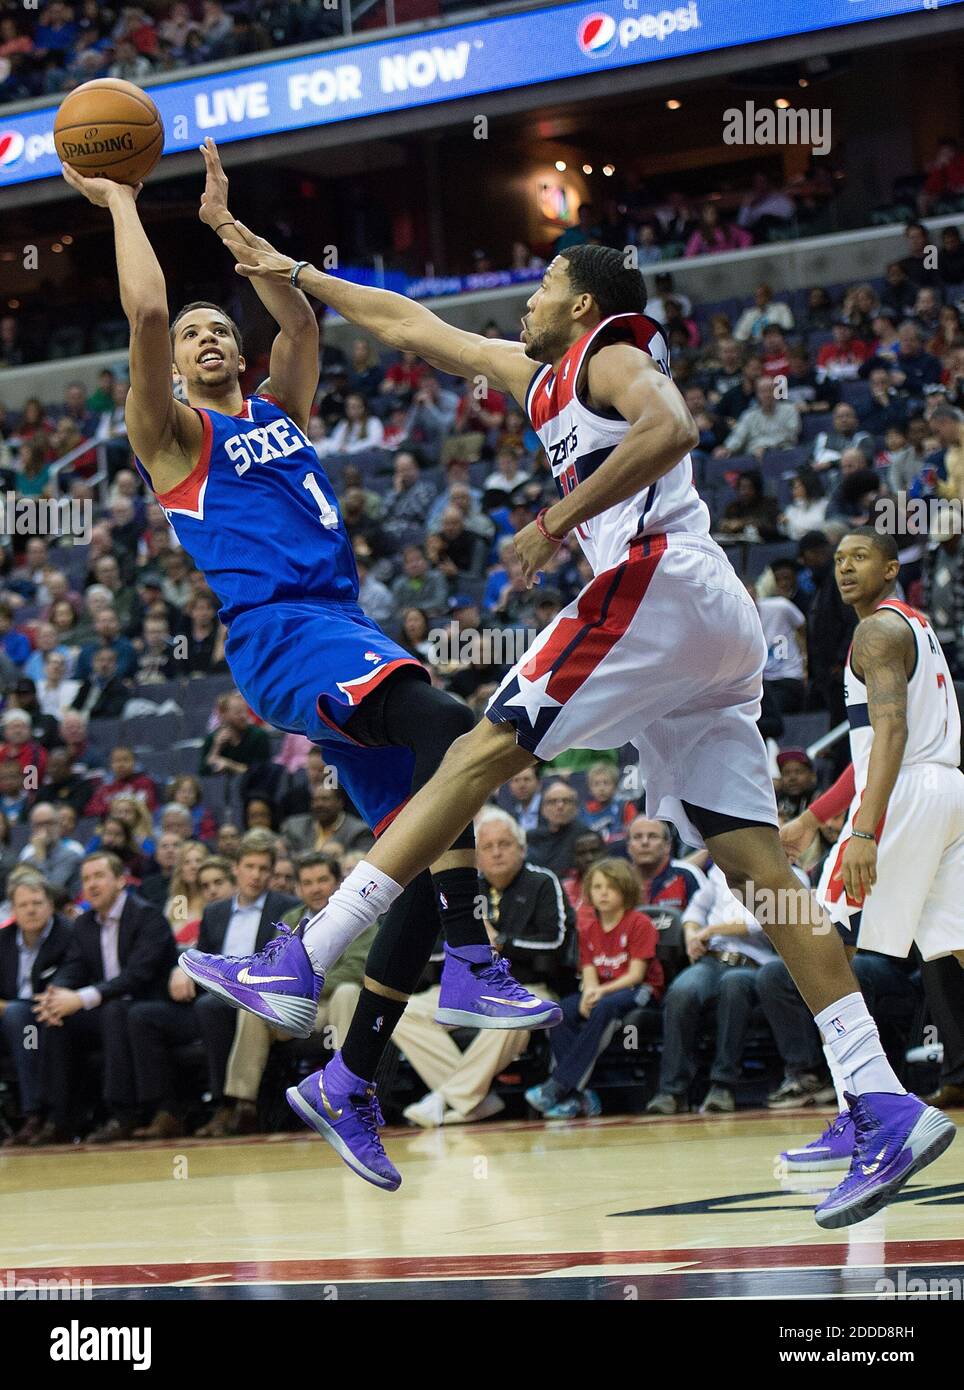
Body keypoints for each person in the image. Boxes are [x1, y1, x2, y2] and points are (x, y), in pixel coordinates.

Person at [181, 226, 954, 1225]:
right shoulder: (537, 374)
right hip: (700, 629)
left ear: (583, 304)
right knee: (760, 866)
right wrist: (295, 275)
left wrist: (554, 520)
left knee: (471, 752)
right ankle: (876, 1095)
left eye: (546, 279)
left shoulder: (612, 351)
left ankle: (304, 955)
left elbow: (670, 424)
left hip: (658, 582)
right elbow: (413, 326)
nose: (530, 294)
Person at [64, 139, 556, 1192]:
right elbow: (145, 316)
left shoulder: (279, 409)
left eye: (213, 331)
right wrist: (118, 201)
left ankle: (349, 1077)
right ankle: (471, 962)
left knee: (422, 852)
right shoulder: (171, 439)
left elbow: (298, 316)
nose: (200, 338)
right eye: (190, 334)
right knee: (455, 732)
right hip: (286, 633)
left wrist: (235, 236)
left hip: (342, 619)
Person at [776, 527, 964, 1183]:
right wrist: (813, 817)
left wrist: (862, 831)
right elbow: (868, 750)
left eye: (861, 557)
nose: (845, 567)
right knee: (955, 946)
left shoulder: (875, 633)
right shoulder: (913, 627)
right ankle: (865, 1106)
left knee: (822, 947)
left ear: (891, 569)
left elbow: (890, 733)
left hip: (909, 793)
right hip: (945, 793)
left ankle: (868, 1111)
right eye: (837, 559)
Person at [526, 857, 662, 1118]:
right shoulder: (588, 928)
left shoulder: (639, 923)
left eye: (610, 887)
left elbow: (635, 975)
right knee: (560, 1010)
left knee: (606, 1006)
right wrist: (589, 993)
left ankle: (559, 1085)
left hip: (640, 990)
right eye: (597, 887)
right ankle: (578, 1097)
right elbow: (588, 970)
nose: (603, 893)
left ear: (626, 889)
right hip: (603, 991)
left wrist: (600, 993)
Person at [0, 875, 73, 1148]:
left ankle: (34, 1113)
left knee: (22, 1020)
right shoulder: (3, 940)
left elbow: (71, 975)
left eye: (37, 903)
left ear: (50, 905)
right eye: (23, 904)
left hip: (44, 1014)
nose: (30, 909)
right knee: (16, 1015)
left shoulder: (67, 934)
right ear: (13, 910)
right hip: (8, 1014)